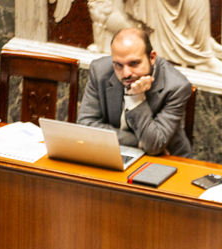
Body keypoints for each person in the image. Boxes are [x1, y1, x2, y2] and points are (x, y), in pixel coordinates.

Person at [78, 28, 193, 157]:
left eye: (134, 63)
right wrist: (139, 142)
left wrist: (136, 99)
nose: (126, 73)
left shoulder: (176, 86)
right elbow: (85, 126)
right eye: (118, 65)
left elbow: (154, 146)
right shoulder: (99, 71)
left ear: (152, 57)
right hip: (112, 152)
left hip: (166, 159)